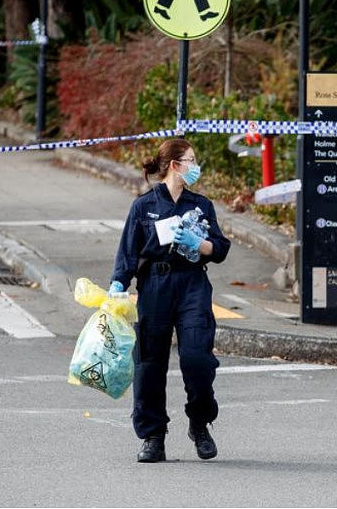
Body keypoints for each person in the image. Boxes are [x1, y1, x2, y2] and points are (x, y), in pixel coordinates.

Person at [110, 138, 231, 463]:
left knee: (198, 360)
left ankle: (199, 423)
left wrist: (200, 243)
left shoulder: (201, 204)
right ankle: (152, 436)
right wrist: (118, 284)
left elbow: (220, 249)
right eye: (191, 160)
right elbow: (128, 252)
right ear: (175, 165)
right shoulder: (144, 205)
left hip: (192, 283)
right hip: (155, 285)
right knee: (149, 364)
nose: (196, 166)